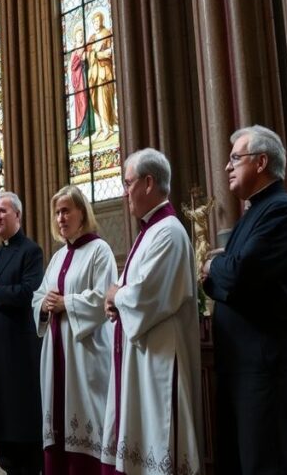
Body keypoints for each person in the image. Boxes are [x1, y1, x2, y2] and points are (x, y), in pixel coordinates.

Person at [201, 125, 287, 473]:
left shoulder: (280, 210)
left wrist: (214, 266)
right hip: (243, 365)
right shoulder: (252, 214)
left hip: (267, 365)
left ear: (262, 161)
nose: (227, 167)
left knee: (265, 464)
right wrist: (220, 273)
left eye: (236, 158)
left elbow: (235, 274)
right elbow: (225, 279)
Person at [100, 148, 202, 475]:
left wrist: (118, 296)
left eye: (127, 183)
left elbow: (149, 295)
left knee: (161, 440)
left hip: (161, 356)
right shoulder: (149, 231)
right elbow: (130, 288)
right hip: (144, 353)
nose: (124, 191)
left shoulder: (169, 231)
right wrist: (115, 297)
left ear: (148, 182)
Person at [31, 185, 116, 473]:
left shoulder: (99, 250)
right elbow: (40, 295)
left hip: (85, 352)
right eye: (56, 212)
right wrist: (44, 305)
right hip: (56, 350)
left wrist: (66, 302)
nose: (60, 218)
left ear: (82, 212)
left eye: (66, 210)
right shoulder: (57, 257)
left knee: (86, 418)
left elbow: (104, 296)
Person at [0, 190, 45, 475]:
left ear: (18, 214)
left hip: (20, 351)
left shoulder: (31, 252)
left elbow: (30, 292)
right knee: (3, 422)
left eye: (2, 211)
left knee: (22, 420)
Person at [86, 11, 116, 141]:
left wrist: (98, 54)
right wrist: (94, 53)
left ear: (102, 21)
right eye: (94, 22)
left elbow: (110, 52)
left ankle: (108, 127)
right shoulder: (92, 38)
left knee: (104, 99)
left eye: (98, 21)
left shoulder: (107, 34)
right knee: (96, 99)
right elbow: (88, 55)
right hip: (94, 74)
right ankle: (100, 128)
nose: (96, 23)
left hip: (105, 72)